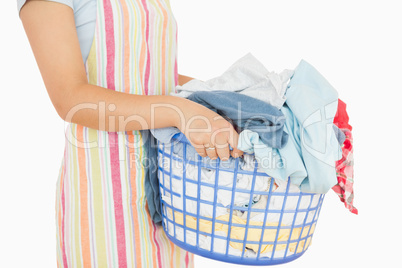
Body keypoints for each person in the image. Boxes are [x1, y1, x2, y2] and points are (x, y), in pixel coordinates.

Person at [18, 0, 243, 267]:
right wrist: (180, 111)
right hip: (103, 196)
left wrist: (222, 103)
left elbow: (155, 76)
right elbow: (70, 97)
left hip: (169, 193)